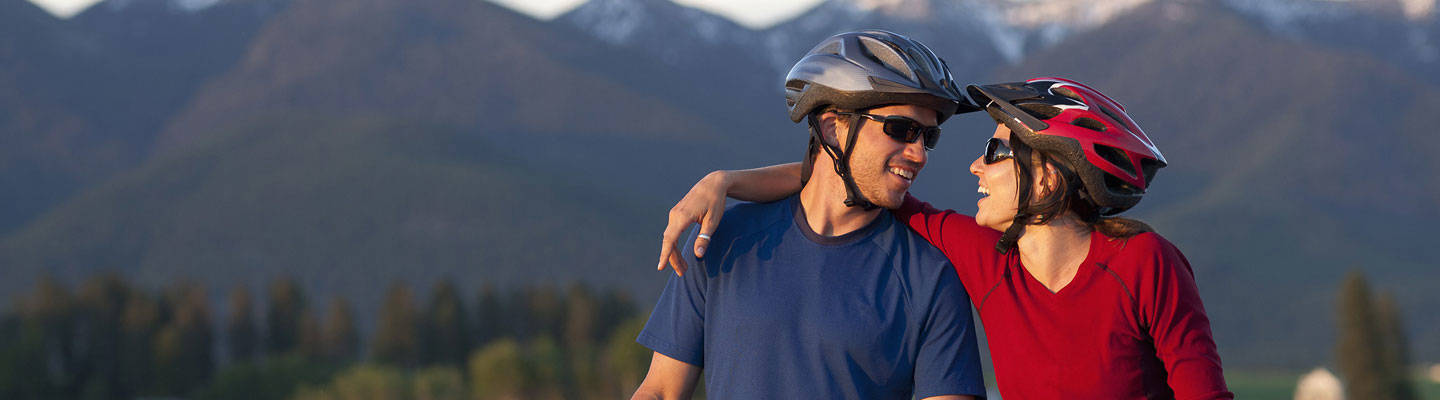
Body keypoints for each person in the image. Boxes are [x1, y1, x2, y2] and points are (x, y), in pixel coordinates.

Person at [657, 77, 1234, 399]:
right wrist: (725, 181)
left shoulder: (1143, 262)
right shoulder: (983, 260)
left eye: (994, 151)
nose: (974, 168)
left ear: (1051, 172)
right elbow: (850, 177)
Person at [631, 30, 987, 400]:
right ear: (834, 128)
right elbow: (660, 390)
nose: (919, 154)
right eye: (901, 130)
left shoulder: (930, 278)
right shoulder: (722, 237)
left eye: (928, 137)